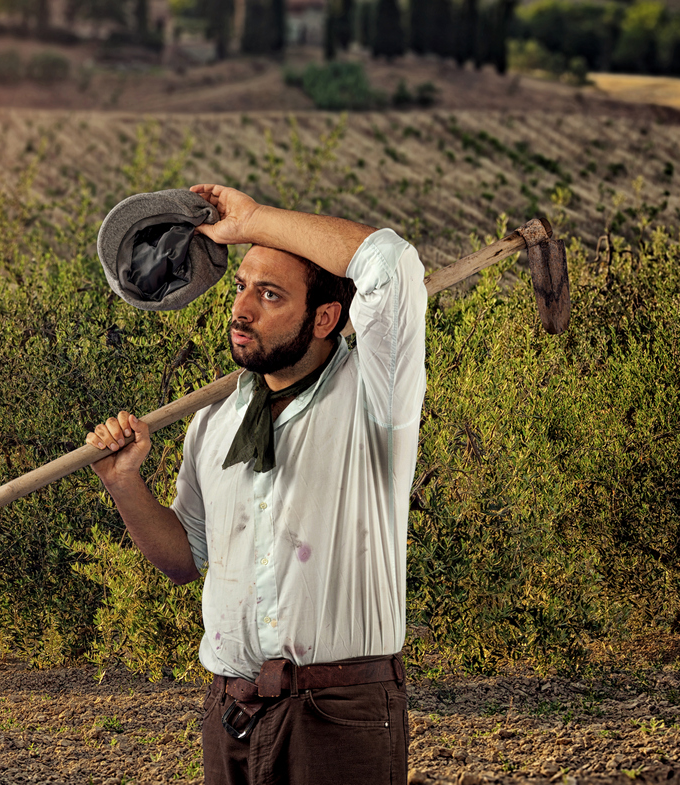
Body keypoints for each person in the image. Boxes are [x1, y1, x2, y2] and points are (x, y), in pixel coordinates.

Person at [84, 183, 426, 785]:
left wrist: (253, 220)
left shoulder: (376, 397)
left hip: (340, 714)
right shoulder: (213, 422)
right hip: (231, 713)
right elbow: (185, 559)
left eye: (269, 295)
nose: (241, 310)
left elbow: (389, 262)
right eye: (241, 286)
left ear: (325, 318)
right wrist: (125, 484)